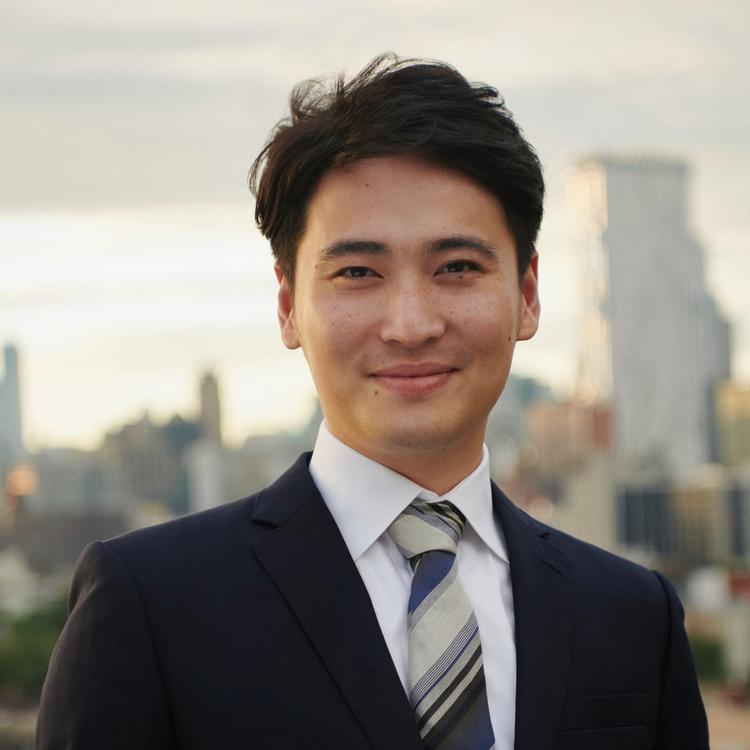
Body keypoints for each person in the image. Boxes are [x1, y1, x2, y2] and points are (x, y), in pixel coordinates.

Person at [37, 54, 709, 750]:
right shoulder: (151, 602)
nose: (411, 325)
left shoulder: (633, 613)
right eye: (358, 272)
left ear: (527, 295)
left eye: (457, 267)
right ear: (289, 306)